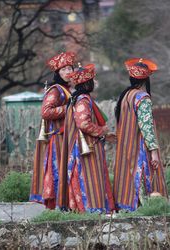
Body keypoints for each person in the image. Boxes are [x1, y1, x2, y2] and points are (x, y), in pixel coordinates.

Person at [58, 63, 115, 213]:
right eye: (93, 81)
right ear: (88, 83)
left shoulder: (79, 98)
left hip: (85, 143)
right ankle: (91, 209)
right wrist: (101, 131)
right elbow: (83, 123)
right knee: (89, 176)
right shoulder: (83, 99)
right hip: (86, 146)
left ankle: (86, 208)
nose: (95, 83)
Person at [113, 57, 168, 211]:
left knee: (128, 177)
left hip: (126, 146)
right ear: (146, 79)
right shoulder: (142, 98)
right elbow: (147, 126)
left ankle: (127, 207)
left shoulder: (125, 97)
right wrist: (154, 151)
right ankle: (147, 208)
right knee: (145, 176)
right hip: (139, 147)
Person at [30, 51, 76, 209]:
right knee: (57, 171)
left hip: (67, 137)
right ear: (58, 73)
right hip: (57, 138)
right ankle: (57, 206)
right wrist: (68, 108)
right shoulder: (56, 90)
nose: (68, 72)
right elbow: (46, 111)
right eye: (63, 70)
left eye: (70, 69)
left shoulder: (69, 90)